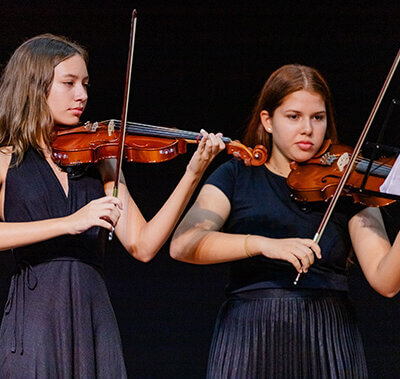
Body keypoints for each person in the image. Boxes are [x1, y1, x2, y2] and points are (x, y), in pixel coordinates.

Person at [0, 34, 225, 377]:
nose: (83, 95)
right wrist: (69, 222)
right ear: (34, 85)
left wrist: (192, 173)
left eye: (86, 84)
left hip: (93, 312)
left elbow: (143, 245)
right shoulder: (5, 159)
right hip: (36, 316)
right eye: (69, 83)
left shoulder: (100, 160)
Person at [170, 64, 400, 378]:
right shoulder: (236, 174)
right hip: (249, 335)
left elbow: (386, 282)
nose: (307, 129)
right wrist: (263, 244)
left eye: (317, 117)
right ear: (267, 120)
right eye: (293, 117)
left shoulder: (348, 184)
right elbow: (183, 244)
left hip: (327, 336)